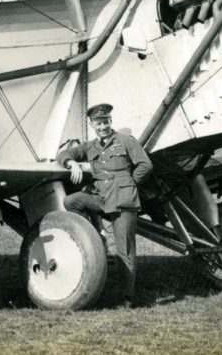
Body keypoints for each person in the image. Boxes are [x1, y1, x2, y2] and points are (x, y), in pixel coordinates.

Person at [56, 103, 153, 305]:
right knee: (72, 201)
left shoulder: (126, 141)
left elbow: (145, 165)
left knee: (125, 251)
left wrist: (128, 183)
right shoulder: (90, 146)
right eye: (98, 123)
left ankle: (127, 297)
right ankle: (96, 234)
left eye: (106, 122)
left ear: (111, 121)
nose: (103, 126)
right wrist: (71, 163)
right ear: (92, 125)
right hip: (102, 199)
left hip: (123, 201)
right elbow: (64, 155)